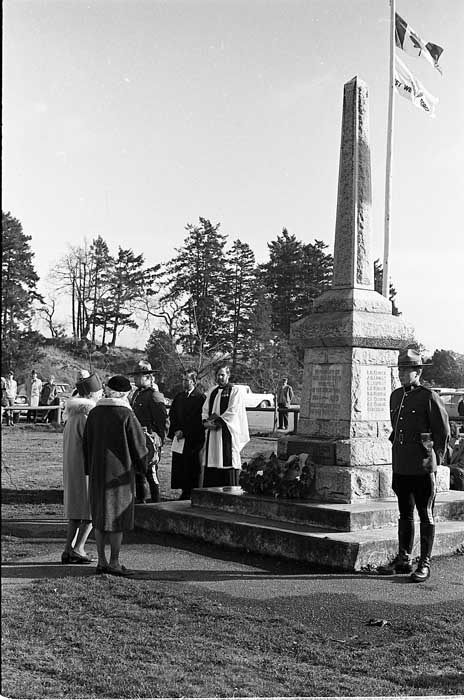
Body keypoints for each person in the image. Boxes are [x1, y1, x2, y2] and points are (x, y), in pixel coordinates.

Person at [380, 348, 450, 582]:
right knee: (404, 513)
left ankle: (424, 563)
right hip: (401, 463)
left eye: (406, 370)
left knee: (425, 513)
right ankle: (404, 558)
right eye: (400, 369)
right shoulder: (396, 396)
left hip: (422, 465)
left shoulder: (428, 396)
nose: (401, 373)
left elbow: (442, 432)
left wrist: (434, 459)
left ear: (418, 371)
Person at [83, 375, 148, 576]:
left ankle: (101, 560)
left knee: (100, 518)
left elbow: (86, 443)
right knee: (117, 520)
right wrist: (143, 466)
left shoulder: (94, 413)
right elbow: (139, 446)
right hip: (120, 476)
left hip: (97, 472)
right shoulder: (126, 415)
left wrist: (89, 468)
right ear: (124, 393)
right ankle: (114, 561)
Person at [61, 372, 103, 565]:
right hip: (84, 469)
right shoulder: (87, 415)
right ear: (92, 394)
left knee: (75, 512)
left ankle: (68, 549)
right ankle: (79, 548)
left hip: (72, 467)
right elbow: (93, 444)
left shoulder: (73, 415)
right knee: (90, 511)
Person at [201, 365, 249, 488]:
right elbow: (205, 409)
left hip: (227, 432)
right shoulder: (212, 391)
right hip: (212, 434)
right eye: (218, 375)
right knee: (212, 460)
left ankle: (229, 492)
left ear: (228, 375)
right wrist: (205, 421)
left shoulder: (235, 391)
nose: (220, 377)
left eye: (222, 375)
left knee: (227, 460)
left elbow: (233, 411)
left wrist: (217, 423)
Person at [129, 360, 168, 503]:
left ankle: (156, 503)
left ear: (147, 377)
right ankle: (141, 502)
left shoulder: (154, 395)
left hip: (149, 440)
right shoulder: (136, 394)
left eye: (138, 376)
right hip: (138, 438)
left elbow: (163, 421)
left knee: (151, 474)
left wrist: (159, 439)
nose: (135, 378)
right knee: (138, 473)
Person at [168, 369, 206, 500]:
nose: (184, 382)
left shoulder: (200, 398)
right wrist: (176, 430)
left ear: (194, 381)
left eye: (187, 380)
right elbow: (173, 415)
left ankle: (193, 492)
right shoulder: (179, 397)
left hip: (193, 439)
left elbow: (198, 419)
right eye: (183, 380)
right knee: (181, 466)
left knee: (193, 466)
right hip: (180, 438)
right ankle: (184, 491)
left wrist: (185, 432)